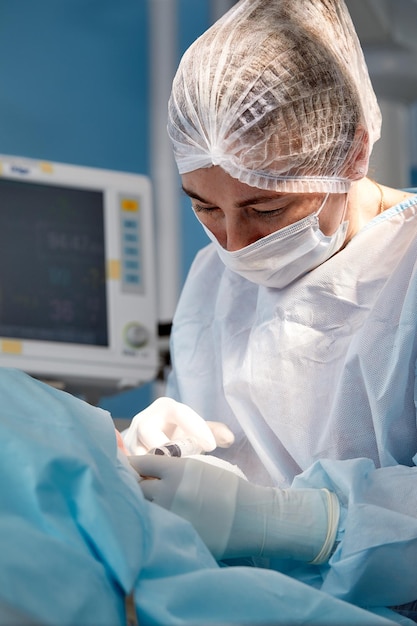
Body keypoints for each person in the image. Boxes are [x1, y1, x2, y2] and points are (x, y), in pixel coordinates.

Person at [123, 0, 417, 621]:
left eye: (265, 210)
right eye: (204, 207)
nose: (232, 242)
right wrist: (181, 451)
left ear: (354, 151)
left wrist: (289, 522)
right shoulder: (213, 277)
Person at [0, 367, 403, 626]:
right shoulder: (212, 278)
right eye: (212, 224)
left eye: (263, 224)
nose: (232, 241)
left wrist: (304, 522)